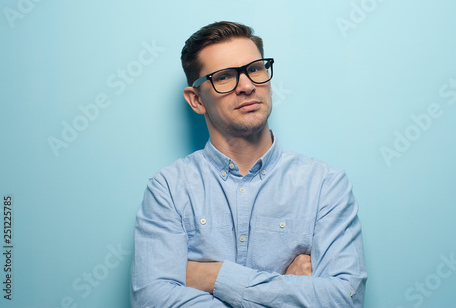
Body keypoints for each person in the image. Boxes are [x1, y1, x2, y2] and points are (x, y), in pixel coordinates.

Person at [130, 21, 367, 307]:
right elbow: (152, 300)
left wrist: (213, 276)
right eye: (224, 77)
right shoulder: (168, 189)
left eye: (254, 69)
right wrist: (287, 290)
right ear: (196, 100)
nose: (246, 86)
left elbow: (345, 299)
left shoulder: (326, 185)